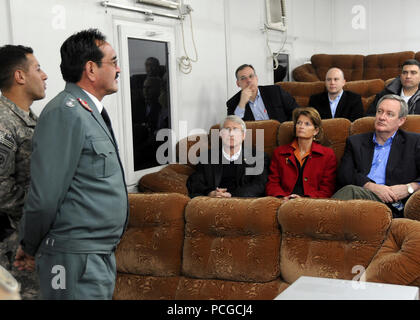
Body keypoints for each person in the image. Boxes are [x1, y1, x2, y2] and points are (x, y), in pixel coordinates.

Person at [14, 29, 129, 300]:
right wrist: (30, 246)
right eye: (113, 62)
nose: (119, 69)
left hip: (95, 254)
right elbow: (45, 197)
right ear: (91, 68)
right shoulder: (65, 113)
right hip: (73, 257)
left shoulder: (88, 112)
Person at [0, 44, 47, 300]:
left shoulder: (28, 118)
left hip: (31, 238)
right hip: (13, 244)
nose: (44, 75)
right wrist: (37, 210)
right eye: (38, 68)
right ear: (19, 76)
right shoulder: (3, 123)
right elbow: (0, 187)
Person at [332, 94, 420, 218]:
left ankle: (318, 223)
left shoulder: (414, 142)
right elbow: (344, 174)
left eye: (389, 114)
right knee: (351, 190)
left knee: (349, 192)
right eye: (380, 112)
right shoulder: (355, 142)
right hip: (360, 198)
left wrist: (409, 188)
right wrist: (371, 186)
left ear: (401, 120)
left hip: (393, 205)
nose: (382, 117)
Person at [186, 115, 269, 198]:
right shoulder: (206, 157)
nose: (231, 134)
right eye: (227, 129)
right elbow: (195, 182)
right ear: (221, 135)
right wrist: (210, 193)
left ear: (243, 135)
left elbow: (259, 185)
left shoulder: (258, 157)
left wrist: (231, 195)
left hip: (244, 202)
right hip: (214, 202)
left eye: (235, 129)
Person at [266, 107, 337, 200]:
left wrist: (304, 200)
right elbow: (272, 183)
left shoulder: (327, 155)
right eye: (299, 123)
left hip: (312, 204)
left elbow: (327, 188)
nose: (301, 126)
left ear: (316, 131)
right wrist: (283, 197)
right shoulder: (280, 152)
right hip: (283, 202)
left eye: (307, 124)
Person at [226, 64, 299, 122]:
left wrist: (285, 130)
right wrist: (241, 104)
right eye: (243, 78)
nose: (248, 80)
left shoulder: (275, 91)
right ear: (238, 83)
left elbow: (297, 111)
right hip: (256, 137)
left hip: (280, 134)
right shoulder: (233, 103)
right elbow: (233, 128)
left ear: (256, 78)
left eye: (251, 76)